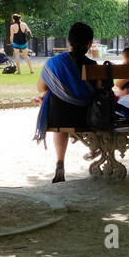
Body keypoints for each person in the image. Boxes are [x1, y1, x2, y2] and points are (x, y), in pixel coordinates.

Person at [34, 21, 97, 184]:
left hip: (59, 117)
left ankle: (60, 162)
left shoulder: (54, 63)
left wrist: (58, 89)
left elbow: (40, 88)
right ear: (89, 43)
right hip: (87, 117)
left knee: (57, 100)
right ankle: (94, 150)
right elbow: (98, 93)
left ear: (69, 41)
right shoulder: (93, 66)